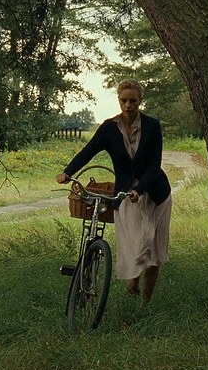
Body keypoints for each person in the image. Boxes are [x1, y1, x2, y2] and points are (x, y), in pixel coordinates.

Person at [56, 79, 172, 304]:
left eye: (133, 101)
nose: (128, 105)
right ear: (118, 100)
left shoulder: (152, 126)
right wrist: (68, 172)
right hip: (125, 194)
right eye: (124, 100)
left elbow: (154, 165)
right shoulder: (109, 128)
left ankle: (145, 305)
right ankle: (133, 286)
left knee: (153, 251)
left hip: (155, 193)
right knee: (135, 244)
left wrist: (139, 189)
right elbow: (88, 151)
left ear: (140, 101)